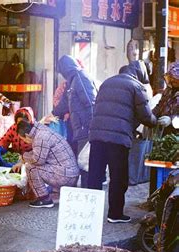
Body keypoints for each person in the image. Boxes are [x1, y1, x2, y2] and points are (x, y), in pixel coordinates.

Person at [87, 61, 171, 223]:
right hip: (118, 138)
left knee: (95, 175)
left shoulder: (107, 82)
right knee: (118, 176)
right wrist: (155, 121)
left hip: (96, 135)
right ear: (139, 74)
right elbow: (145, 115)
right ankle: (115, 214)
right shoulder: (136, 86)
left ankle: (91, 213)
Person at [11, 110, 79, 208]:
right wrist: (22, 160)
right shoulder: (40, 130)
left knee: (31, 167)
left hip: (66, 176)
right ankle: (52, 193)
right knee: (32, 165)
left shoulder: (40, 137)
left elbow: (37, 160)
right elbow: (39, 154)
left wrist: (23, 157)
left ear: (26, 135)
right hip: (69, 173)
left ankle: (44, 199)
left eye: (23, 139)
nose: (26, 142)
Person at [52, 55, 96, 188]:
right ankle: (84, 192)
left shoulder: (80, 78)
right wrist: (52, 114)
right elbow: (64, 104)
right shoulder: (72, 81)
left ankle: (87, 193)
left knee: (85, 163)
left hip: (86, 128)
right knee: (82, 162)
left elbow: (91, 103)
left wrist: (90, 127)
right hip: (80, 128)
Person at [153, 62, 178, 136]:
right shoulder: (168, 90)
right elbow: (160, 105)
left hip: (175, 134)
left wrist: (171, 120)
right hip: (163, 131)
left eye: (176, 79)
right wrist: (150, 115)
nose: (173, 81)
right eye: (171, 78)